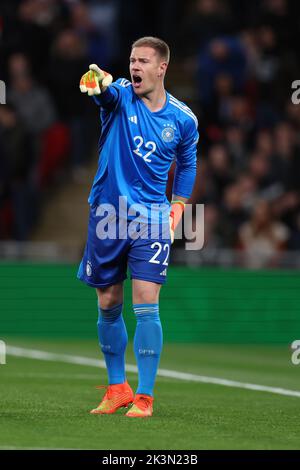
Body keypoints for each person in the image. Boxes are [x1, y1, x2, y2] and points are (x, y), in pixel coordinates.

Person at [77, 36, 198, 418]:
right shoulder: (119, 96)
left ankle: (144, 396)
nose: (136, 67)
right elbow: (102, 92)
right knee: (108, 301)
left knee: (147, 301)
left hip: (150, 220)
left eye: (143, 61)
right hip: (107, 216)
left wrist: (178, 205)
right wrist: (96, 81)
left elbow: (188, 163)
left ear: (162, 67)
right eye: (132, 60)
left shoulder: (183, 118)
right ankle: (117, 389)